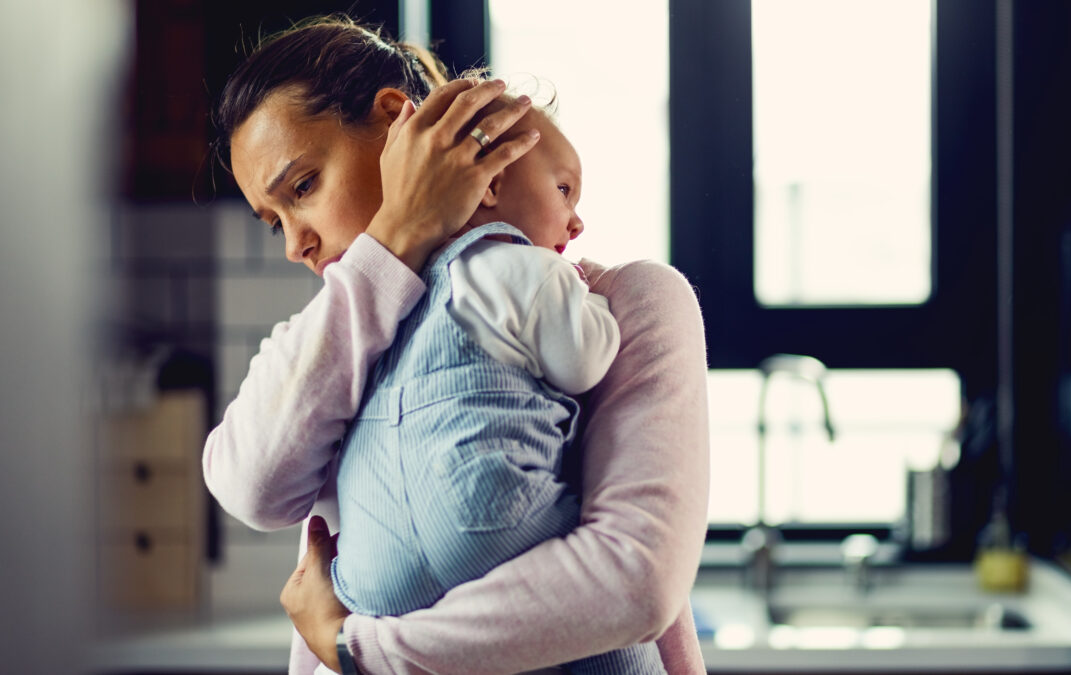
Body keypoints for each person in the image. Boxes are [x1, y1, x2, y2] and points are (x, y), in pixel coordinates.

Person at [202, 16, 709, 675]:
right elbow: (254, 487)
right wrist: (392, 246)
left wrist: (360, 648)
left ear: (393, 121)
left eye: (303, 188)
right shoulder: (326, 337)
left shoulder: (620, 303)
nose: (297, 242)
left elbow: (632, 582)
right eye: (277, 224)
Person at [327, 91, 667, 672]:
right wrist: (598, 307)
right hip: (489, 516)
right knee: (611, 620)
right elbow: (582, 362)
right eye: (564, 189)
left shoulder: (400, 291)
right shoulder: (527, 267)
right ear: (489, 187)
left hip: (373, 568)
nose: (577, 219)